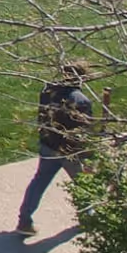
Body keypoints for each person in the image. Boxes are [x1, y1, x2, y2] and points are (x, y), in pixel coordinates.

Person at [16, 62, 95, 236]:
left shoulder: (47, 92)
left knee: (39, 181)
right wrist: (89, 156)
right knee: (83, 186)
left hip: (48, 144)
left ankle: (24, 220)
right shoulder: (81, 101)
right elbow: (84, 132)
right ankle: (89, 219)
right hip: (70, 152)